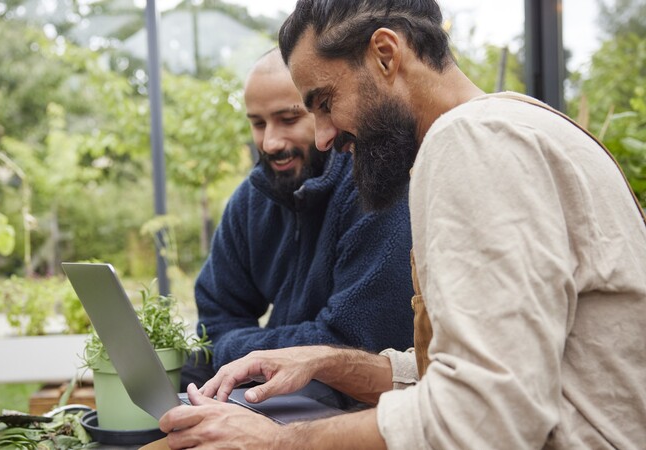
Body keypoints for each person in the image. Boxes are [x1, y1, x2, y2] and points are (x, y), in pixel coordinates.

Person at [160, 1, 646, 449]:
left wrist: (276, 441)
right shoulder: (517, 126)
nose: (324, 138)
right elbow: (503, 372)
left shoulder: (472, 141)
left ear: (386, 55)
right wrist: (328, 361)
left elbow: (486, 415)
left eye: (324, 102)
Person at [181, 48, 415, 403]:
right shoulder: (252, 197)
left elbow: (352, 344)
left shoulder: (377, 190)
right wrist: (251, 355)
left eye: (288, 119)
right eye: (258, 123)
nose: (271, 142)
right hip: (278, 401)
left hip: (362, 414)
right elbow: (214, 322)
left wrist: (243, 352)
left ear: (327, 114)